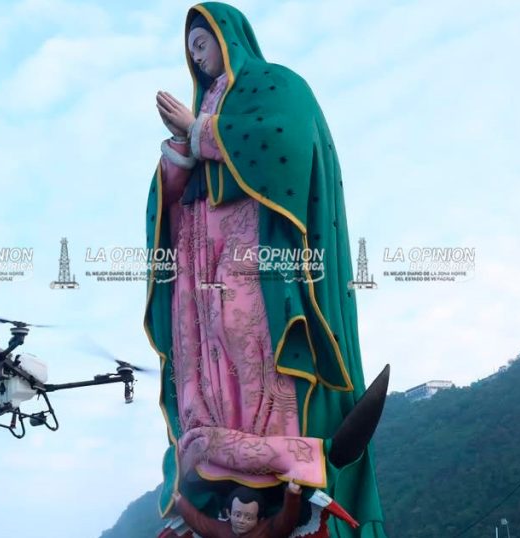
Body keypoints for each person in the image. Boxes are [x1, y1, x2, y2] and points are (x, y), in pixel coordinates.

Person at [143, 3, 388, 536]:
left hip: (252, 250)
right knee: (203, 353)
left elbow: (285, 141)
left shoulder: (275, 85)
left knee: (249, 339)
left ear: (229, 36)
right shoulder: (203, 103)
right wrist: (179, 152)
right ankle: (218, 460)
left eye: (203, 43)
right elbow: (171, 197)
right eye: (191, 51)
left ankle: (278, 459)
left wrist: (202, 131)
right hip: (199, 260)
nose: (197, 57)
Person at [172, 482, 303, 538]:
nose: (241, 521)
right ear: (229, 513)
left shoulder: (266, 530)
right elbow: (200, 522)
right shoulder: (221, 530)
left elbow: (286, 521)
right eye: (237, 515)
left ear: (260, 519)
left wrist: (292, 494)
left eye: (249, 517)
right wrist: (180, 502)